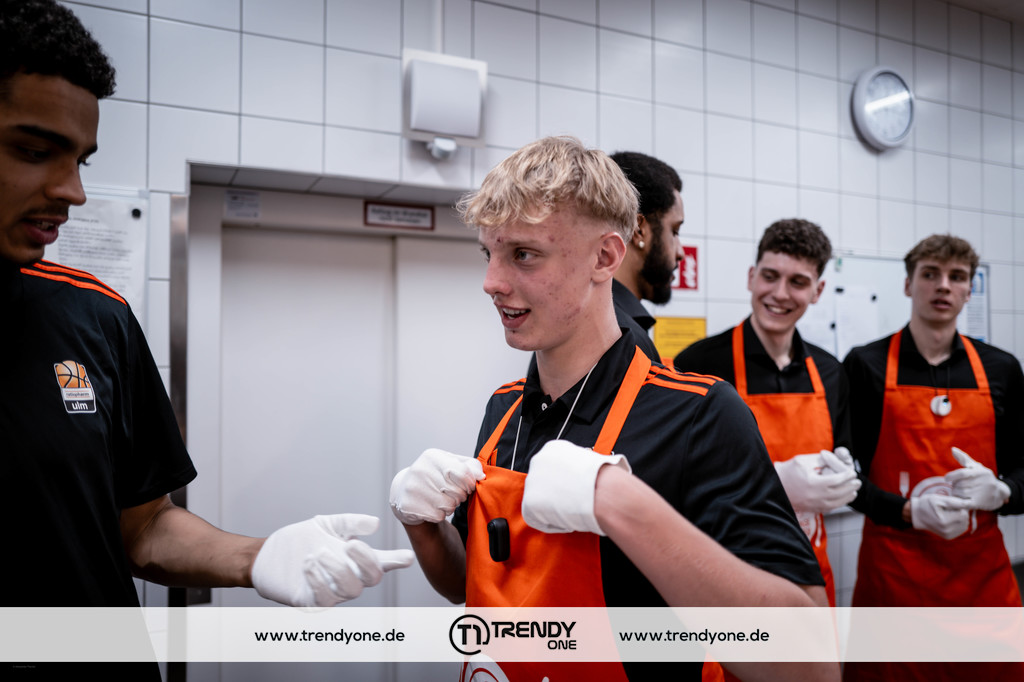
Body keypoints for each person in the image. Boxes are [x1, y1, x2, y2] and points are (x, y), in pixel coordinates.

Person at [0, 1, 413, 675]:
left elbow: (144, 527)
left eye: (81, 161)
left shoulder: (93, 317)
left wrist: (258, 556)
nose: (72, 191)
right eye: (33, 151)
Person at [390, 136, 838, 682]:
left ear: (605, 257)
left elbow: (811, 666)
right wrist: (424, 526)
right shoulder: (504, 410)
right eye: (490, 254)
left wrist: (622, 504)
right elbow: (467, 583)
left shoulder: (697, 415)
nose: (492, 283)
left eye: (523, 254)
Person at [841, 234, 1024, 681]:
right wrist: (905, 510)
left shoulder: (1001, 368)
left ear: (969, 290)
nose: (943, 285)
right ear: (908, 284)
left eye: (957, 277)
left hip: (980, 579)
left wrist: (1003, 492)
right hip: (894, 575)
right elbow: (846, 480)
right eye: (930, 274)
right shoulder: (865, 365)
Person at [674, 219, 860, 609]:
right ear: (751, 277)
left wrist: (843, 478)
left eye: (798, 282)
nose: (779, 294)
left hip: (809, 572)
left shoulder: (830, 372)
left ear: (817, 291)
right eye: (770, 276)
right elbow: (674, 480)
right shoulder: (699, 364)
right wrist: (774, 483)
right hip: (725, 577)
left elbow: (843, 454)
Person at [608, 151, 685, 362]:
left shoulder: (584, 322)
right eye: (674, 231)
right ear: (638, 230)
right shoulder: (624, 338)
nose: (680, 252)